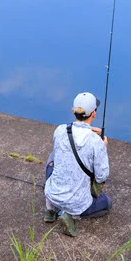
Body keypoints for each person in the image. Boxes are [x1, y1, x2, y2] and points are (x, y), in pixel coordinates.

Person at [43, 91, 111, 237]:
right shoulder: (95, 142)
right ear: (94, 114)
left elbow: (67, 143)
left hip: (53, 193)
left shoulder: (60, 130)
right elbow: (102, 176)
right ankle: (71, 216)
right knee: (106, 204)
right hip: (78, 203)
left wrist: (89, 131)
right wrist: (102, 148)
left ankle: (50, 210)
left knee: (52, 158)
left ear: (73, 111)